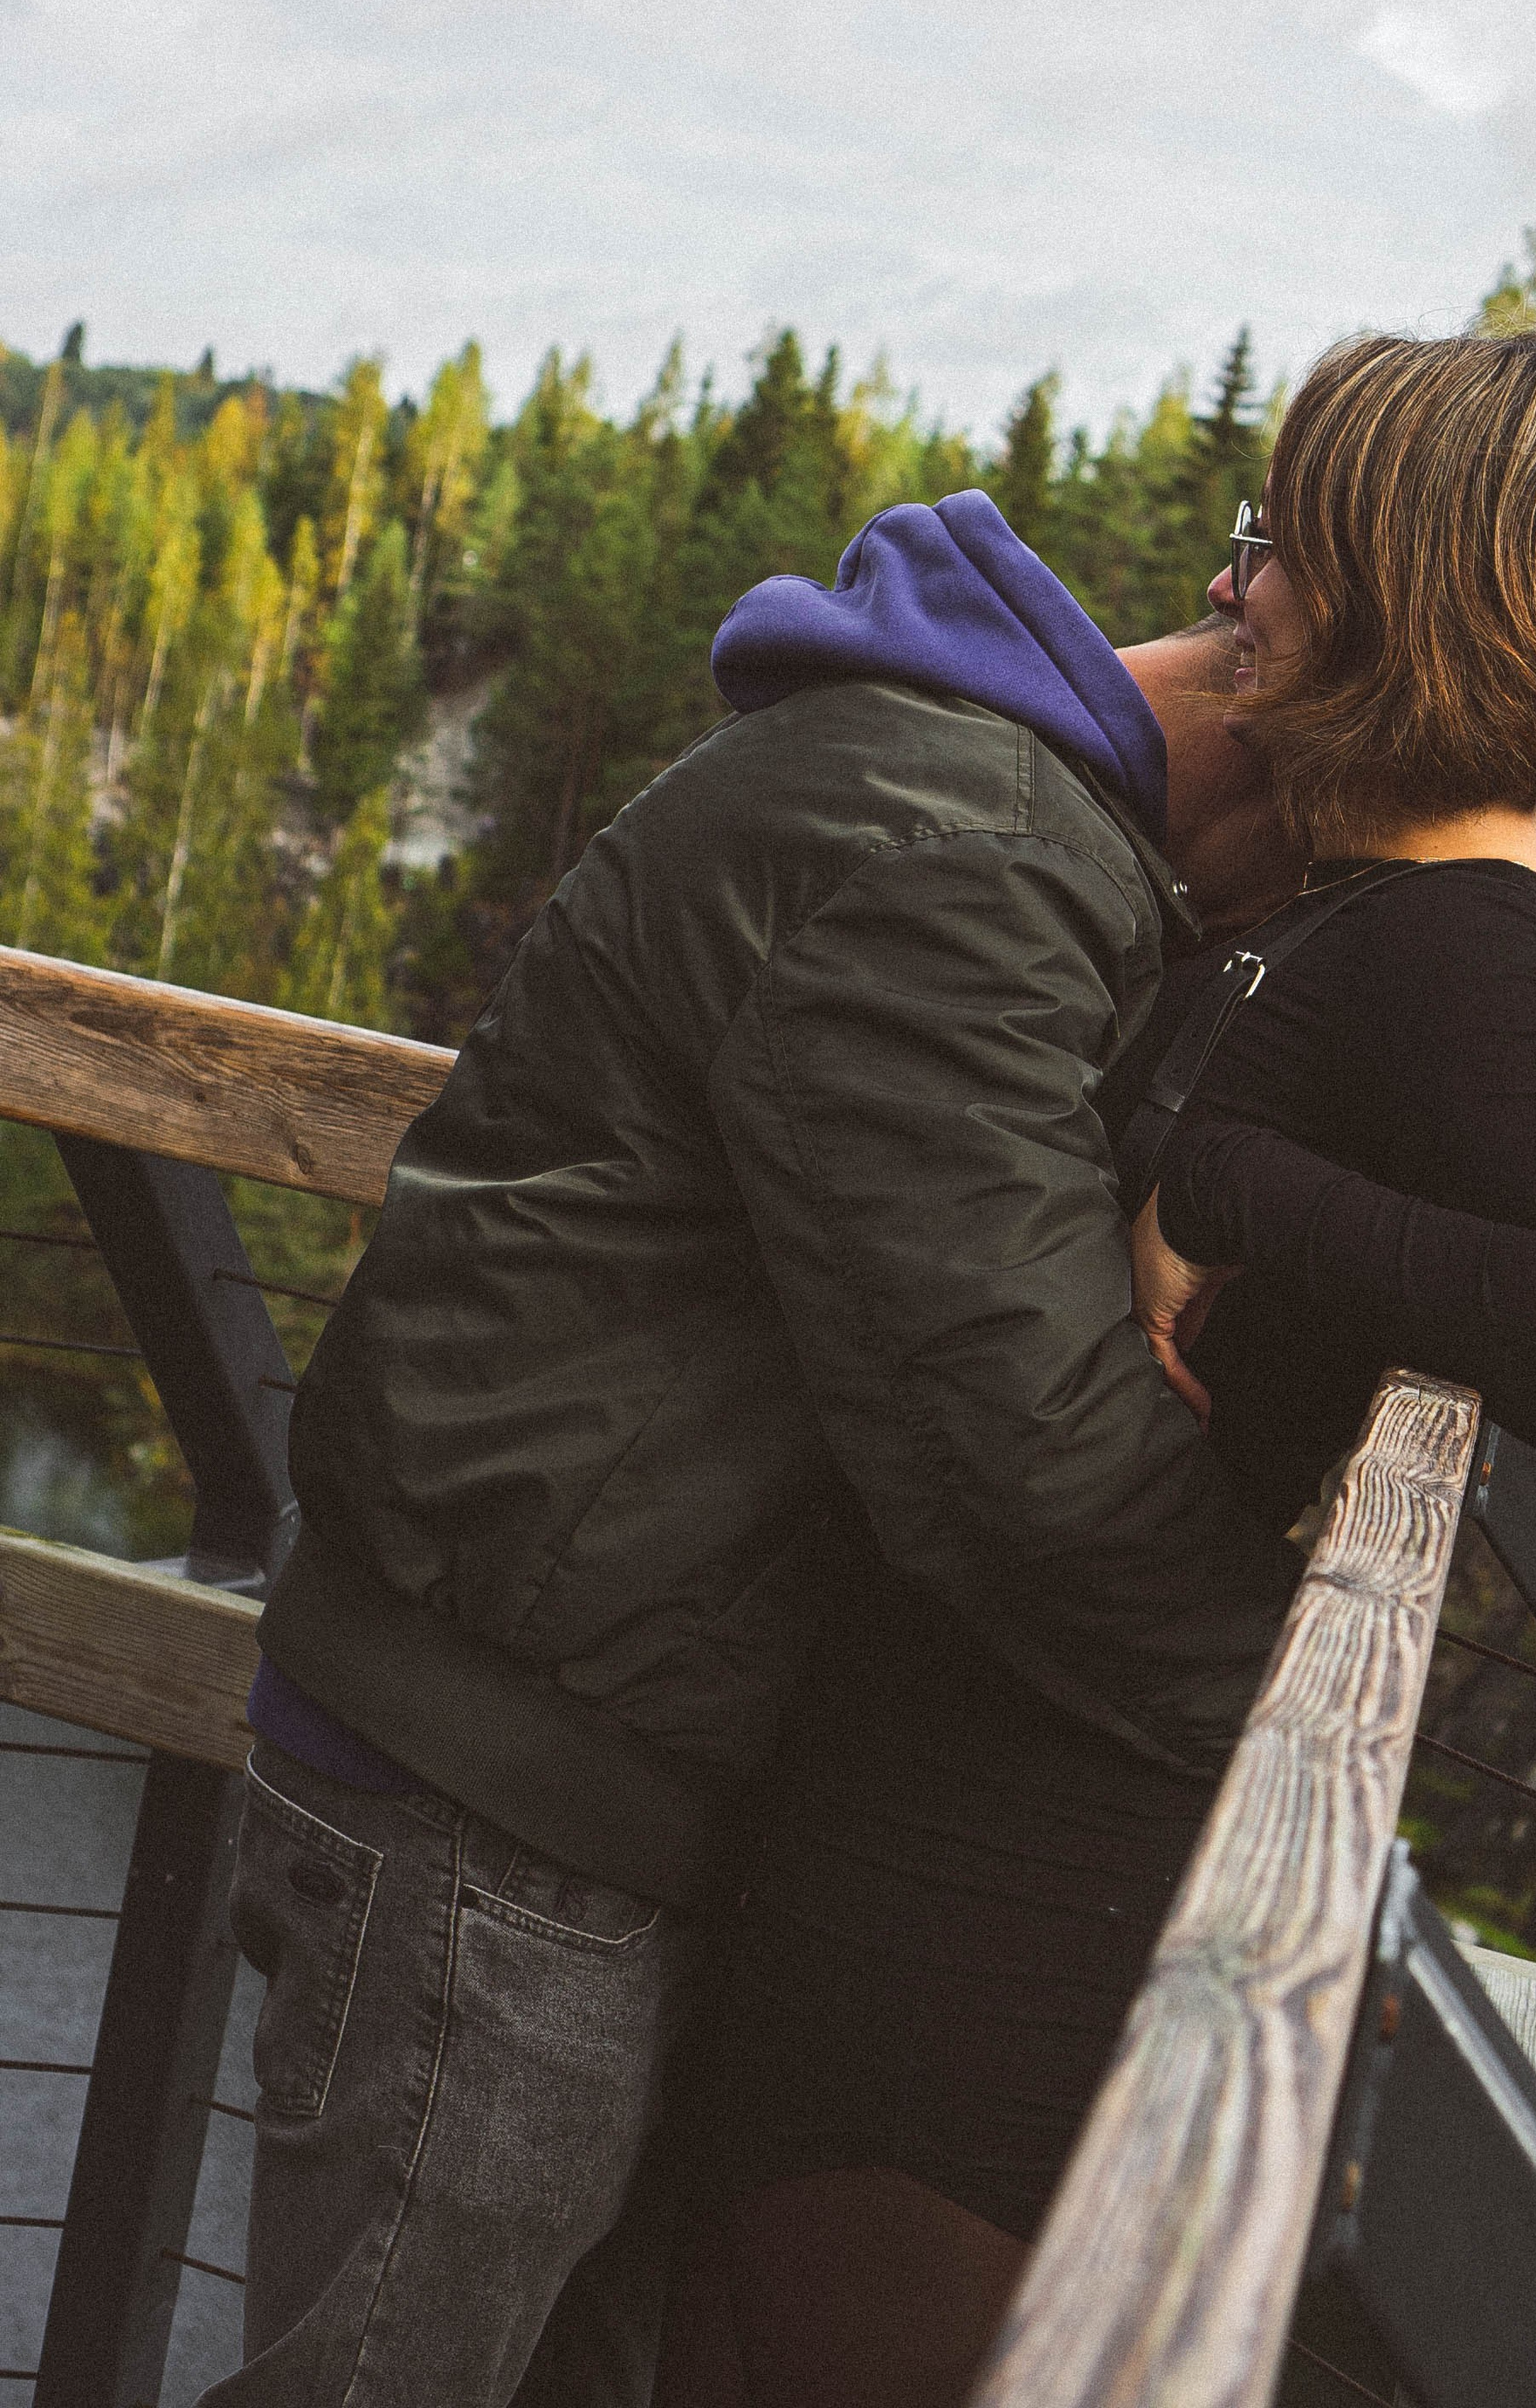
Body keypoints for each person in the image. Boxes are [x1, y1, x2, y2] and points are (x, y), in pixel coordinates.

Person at [662, 325, 1536, 2408]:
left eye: (1280, 548)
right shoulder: (1355, 910)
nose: (1232, 586)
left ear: (1405, 602)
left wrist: (1232, 1185)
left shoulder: (1465, 949)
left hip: (997, 1899)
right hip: (926, 1808)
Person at [207, 492, 1318, 2408]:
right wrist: (1282, 1724)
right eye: (1357, 883)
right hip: (503, 1795)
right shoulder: (952, 858)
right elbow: (1018, 1447)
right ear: (1284, 707)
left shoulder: (985, 818)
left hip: (554, 1754)